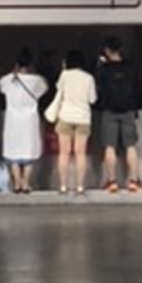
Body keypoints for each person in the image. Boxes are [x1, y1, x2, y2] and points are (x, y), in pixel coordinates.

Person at [0, 49, 48, 194]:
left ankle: (17, 183)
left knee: (13, 152)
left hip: (12, 120)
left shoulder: (8, 80)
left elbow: (0, 85)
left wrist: (13, 72)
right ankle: (26, 182)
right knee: (29, 152)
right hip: (29, 120)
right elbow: (45, 87)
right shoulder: (36, 80)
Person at [95, 36, 142, 193]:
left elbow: (98, 88)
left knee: (110, 146)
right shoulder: (130, 67)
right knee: (130, 146)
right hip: (128, 110)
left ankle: (112, 181)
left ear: (107, 50)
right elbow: (136, 87)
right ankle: (133, 181)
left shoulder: (103, 69)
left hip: (109, 110)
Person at [48, 51, 97, 194]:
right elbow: (92, 99)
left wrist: (63, 69)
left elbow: (58, 90)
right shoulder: (89, 77)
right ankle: (80, 186)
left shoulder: (64, 75)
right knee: (80, 153)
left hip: (65, 116)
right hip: (83, 118)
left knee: (64, 153)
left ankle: (63, 185)